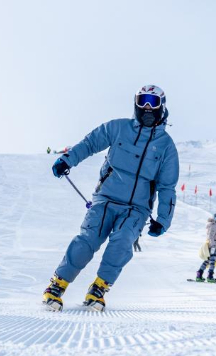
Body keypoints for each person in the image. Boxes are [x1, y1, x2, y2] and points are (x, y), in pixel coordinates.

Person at [42, 85, 179, 311]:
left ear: (161, 107)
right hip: (106, 199)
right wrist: (68, 159)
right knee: (88, 240)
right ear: (135, 103)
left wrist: (163, 219)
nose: (147, 107)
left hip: (136, 208)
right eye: (142, 100)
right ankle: (57, 285)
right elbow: (90, 143)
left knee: (123, 241)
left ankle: (99, 288)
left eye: (152, 102)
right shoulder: (118, 128)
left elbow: (167, 187)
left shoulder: (166, 147)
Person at [196, 213, 216, 282]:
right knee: (212, 261)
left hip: (211, 245)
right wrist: (213, 246)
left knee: (207, 260)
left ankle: (199, 274)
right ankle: (210, 276)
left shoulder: (213, 225)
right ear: (214, 218)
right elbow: (210, 236)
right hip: (212, 245)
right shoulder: (213, 226)